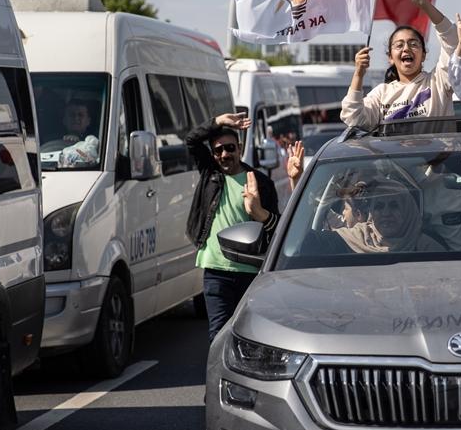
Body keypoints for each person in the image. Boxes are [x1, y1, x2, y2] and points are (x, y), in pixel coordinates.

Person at [185, 114, 278, 343]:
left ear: (240, 148)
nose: (224, 155)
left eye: (229, 148)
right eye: (218, 151)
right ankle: (219, 379)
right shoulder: (211, 174)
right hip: (216, 272)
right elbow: (191, 141)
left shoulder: (260, 182)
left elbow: (276, 227)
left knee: (250, 337)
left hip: (250, 274)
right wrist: (218, 121)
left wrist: (257, 211)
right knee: (218, 338)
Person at [340, 0, 461, 128]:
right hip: (397, 154)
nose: (406, 48)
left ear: (424, 55)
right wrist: (358, 73)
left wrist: (425, 5)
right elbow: (354, 119)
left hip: (437, 153)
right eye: (399, 45)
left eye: (413, 44)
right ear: (391, 57)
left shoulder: (438, 81)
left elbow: (452, 40)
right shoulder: (381, 93)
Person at [300, 178, 446, 255]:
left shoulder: (428, 248)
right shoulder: (355, 238)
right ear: (371, 212)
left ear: (408, 211)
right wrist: (298, 182)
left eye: (394, 205)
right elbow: (306, 243)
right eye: (379, 206)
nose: (386, 213)